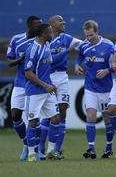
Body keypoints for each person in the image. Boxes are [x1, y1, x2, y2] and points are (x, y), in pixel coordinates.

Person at [38, 15, 81, 159]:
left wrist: (78, 62)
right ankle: (40, 149)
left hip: (62, 77)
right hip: (48, 77)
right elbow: (49, 60)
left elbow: (83, 45)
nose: (64, 22)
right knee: (49, 115)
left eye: (64, 20)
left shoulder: (66, 38)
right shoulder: (45, 40)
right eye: (60, 21)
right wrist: (65, 51)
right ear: (52, 24)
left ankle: (56, 150)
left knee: (62, 112)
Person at [74, 20, 114, 159]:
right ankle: (91, 148)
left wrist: (107, 71)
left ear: (97, 32)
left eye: (91, 35)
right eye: (86, 35)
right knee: (90, 115)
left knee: (107, 118)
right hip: (90, 87)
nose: (88, 38)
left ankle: (109, 147)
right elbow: (79, 57)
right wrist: (77, 65)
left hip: (106, 89)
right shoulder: (84, 45)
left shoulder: (109, 46)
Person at [6, 15, 42, 161]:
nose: (40, 28)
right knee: (15, 115)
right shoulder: (16, 40)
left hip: (33, 85)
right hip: (20, 84)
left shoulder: (41, 41)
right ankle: (26, 144)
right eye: (37, 25)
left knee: (33, 119)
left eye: (41, 25)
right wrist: (18, 60)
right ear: (29, 26)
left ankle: (35, 149)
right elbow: (9, 60)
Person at [24, 23, 60, 161]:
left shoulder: (47, 45)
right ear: (43, 34)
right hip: (34, 92)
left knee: (56, 117)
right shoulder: (33, 49)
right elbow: (28, 73)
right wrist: (45, 85)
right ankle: (32, 154)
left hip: (47, 90)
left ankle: (51, 151)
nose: (52, 34)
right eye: (50, 32)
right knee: (33, 121)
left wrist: (51, 84)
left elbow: (45, 68)